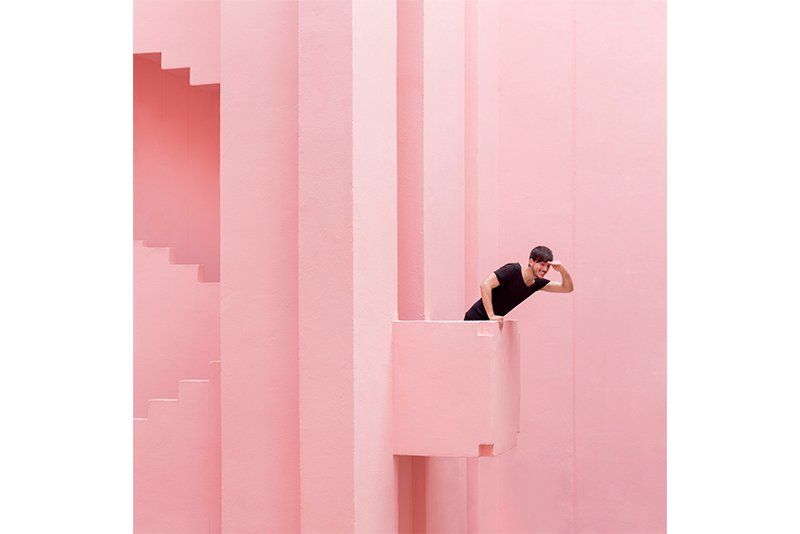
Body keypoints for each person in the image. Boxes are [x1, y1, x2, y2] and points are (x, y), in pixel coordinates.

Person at [463, 245, 574, 323]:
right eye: (542, 264)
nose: (545, 269)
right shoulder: (513, 270)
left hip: (491, 324)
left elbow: (567, 288)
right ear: (531, 261)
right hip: (474, 319)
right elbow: (485, 284)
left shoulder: (536, 283)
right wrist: (491, 316)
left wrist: (561, 269)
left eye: (548, 266)